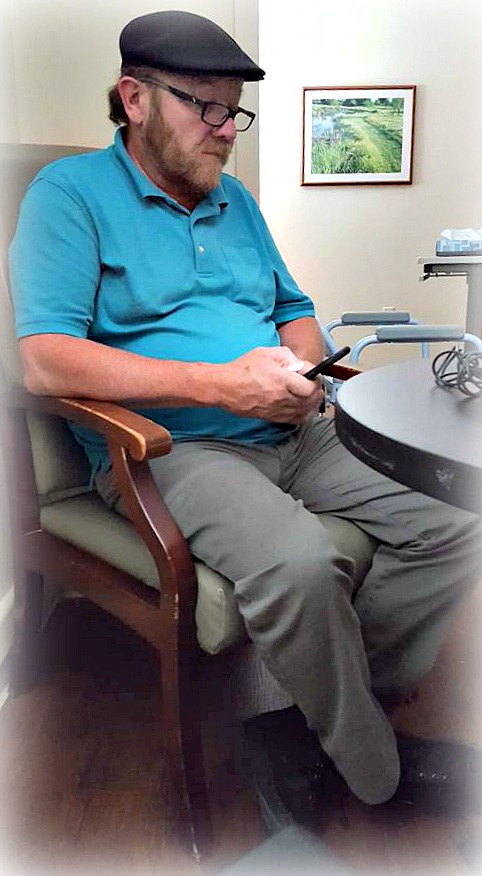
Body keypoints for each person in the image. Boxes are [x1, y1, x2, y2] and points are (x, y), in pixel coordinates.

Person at [9, 9, 482, 827]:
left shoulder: (236, 202)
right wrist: (219, 386)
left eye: (236, 112)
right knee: (300, 564)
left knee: (457, 512)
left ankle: (335, 712)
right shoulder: (68, 195)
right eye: (207, 107)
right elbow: (45, 360)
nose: (228, 131)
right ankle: (374, 774)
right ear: (135, 99)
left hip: (293, 427)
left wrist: (302, 369)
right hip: (171, 449)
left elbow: (295, 311)